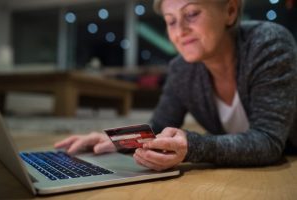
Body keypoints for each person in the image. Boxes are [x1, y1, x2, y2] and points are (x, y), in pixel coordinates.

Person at [55, 0, 297, 171]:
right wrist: (114, 139)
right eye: (171, 21)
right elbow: (158, 127)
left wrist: (192, 146)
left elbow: (269, 142)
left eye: (192, 14)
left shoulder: (267, 43)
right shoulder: (182, 68)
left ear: (230, 11)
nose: (180, 31)